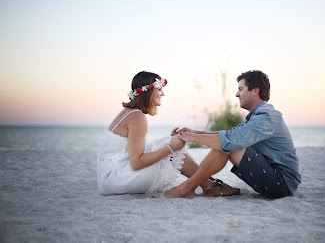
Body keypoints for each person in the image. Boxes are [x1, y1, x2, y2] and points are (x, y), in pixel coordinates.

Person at [97, 71, 240, 197]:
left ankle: (209, 183)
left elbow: (137, 151)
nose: (163, 93)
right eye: (160, 89)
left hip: (110, 176)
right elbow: (136, 163)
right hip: (116, 179)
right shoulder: (137, 117)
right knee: (171, 149)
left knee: (169, 141)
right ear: (149, 91)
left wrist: (170, 142)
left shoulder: (131, 113)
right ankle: (209, 185)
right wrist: (171, 148)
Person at [165, 70, 301, 199]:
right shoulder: (259, 115)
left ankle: (185, 189)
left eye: (241, 89)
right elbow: (232, 134)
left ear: (255, 91)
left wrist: (194, 138)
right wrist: (196, 133)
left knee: (229, 145)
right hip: (274, 177)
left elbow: (231, 140)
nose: (237, 94)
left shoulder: (265, 116)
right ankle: (208, 186)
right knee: (228, 142)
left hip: (282, 184)